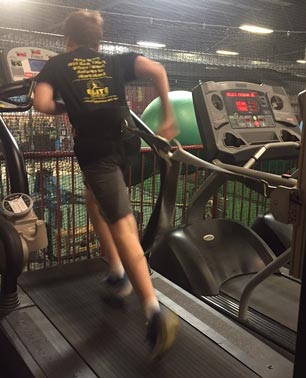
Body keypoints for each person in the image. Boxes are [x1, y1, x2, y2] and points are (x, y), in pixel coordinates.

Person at [33, 9, 179, 359]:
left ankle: (154, 311)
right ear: (98, 40)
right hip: (126, 145)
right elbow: (157, 70)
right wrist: (169, 116)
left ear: (68, 40)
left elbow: (41, 104)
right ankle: (116, 273)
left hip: (96, 151)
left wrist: (69, 105)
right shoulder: (115, 61)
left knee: (123, 225)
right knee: (94, 199)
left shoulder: (57, 64)